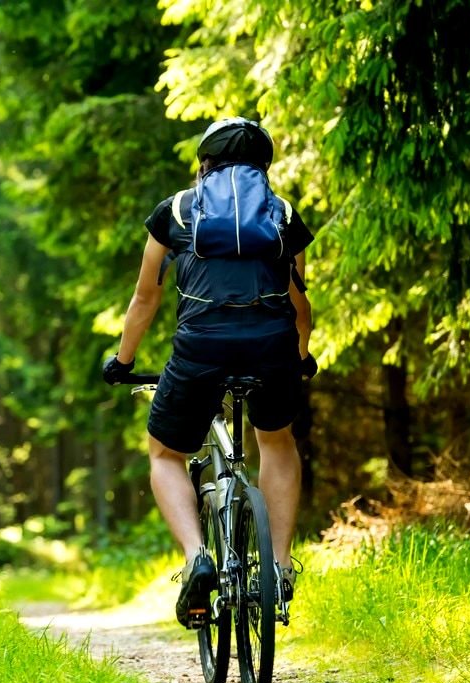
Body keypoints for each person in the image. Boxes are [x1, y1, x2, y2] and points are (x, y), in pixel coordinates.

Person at [102, 117, 315, 629]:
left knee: (165, 452)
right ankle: (279, 568)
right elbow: (300, 306)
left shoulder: (176, 211)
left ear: (204, 161)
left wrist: (124, 361)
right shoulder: (283, 214)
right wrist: (302, 356)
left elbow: (144, 299)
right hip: (271, 348)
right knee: (277, 442)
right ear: (264, 164)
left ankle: (197, 556)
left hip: (201, 349)